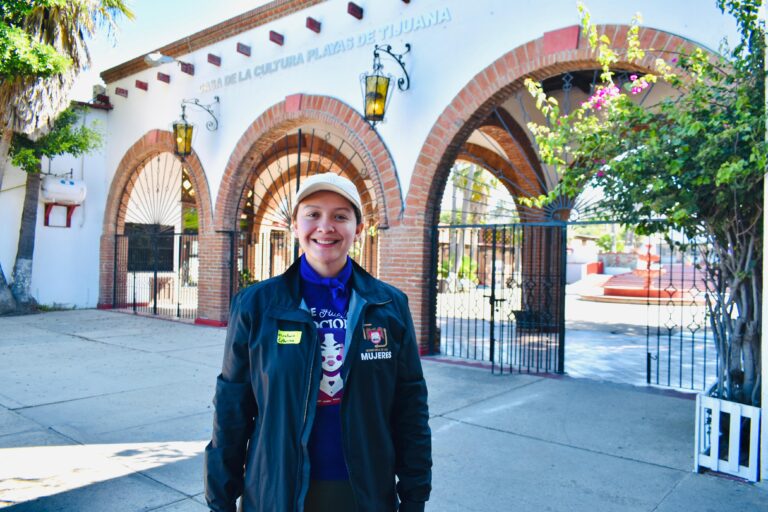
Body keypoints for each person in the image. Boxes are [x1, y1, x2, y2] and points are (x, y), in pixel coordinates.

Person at [204, 173, 432, 512]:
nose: (326, 226)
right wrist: (220, 500)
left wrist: (414, 497)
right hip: (277, 492)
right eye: (313, 214)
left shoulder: (389, 306)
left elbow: (410, 408)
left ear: (359, 227)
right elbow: (232, 409)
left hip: (364, 493)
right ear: (295, 225)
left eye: (340, 216)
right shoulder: (256, 306)